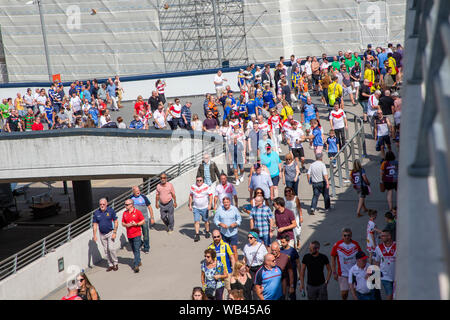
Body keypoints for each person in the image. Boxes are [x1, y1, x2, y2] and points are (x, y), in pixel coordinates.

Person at [331, 228, 362, 300]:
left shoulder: (355, 244)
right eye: (345, 235)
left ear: (351, 236)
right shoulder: (337, 245)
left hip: (354, 273)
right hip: (343, 274)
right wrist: (334, 272)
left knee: (355, 292)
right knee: (344, 293)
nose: (347, 237)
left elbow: (360, 256)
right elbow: (333, 258)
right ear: (342, 236)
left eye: (348, 235)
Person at [92, 198, 119, 272]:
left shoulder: (111, 211)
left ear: (106, 204)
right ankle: (110, 264)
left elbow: (116, 221)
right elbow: (95, 224)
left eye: (103, 204)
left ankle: (115, 263)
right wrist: (94, 235)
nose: (102, 206)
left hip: (110, 233)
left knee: (111, 248)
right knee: (106, 250)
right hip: (102, 234)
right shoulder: (96, 213)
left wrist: (114, 232)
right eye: (100, 204)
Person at [214, 197, 241, 262]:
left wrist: (235, 223)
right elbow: (215, 220)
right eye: (224, 202)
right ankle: (227, 264)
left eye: (227, 202)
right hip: (224, 233)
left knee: (234, 250)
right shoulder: (219, 209)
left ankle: (236, 266)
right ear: (223, 203)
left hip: (233, 232)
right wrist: (221, 224)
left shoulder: (234, 209)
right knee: (225, 250)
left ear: (230, 202)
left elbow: (239, 219)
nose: (226, 204)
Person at [122, 199, 145, 273]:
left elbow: (143, 221)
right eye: (125, 204)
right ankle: (139, 260)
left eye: (127, 204)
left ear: (131, 204)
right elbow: (123, 223)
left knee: (136, 249)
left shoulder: (137, 212)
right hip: (129, 234)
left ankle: (136, 265)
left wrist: (136, 224)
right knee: (134, 249)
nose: (125, 206)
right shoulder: (124, 213)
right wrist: (126, 225)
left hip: (137, 233)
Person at [129, 186, 154, 254]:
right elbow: (128, 209)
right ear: (133, 191)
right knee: (135, 234)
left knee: (145, 234)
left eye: (139, 190)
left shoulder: (143, 197)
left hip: (144, 219)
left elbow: (149, 207)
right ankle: (141, 242)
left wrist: (152, 218)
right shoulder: (131, 198)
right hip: (135, 221)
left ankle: (146, 248)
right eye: (136, 191)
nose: (138, 192)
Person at [373, 229, 396, 300]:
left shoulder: (397, 246)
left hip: (397, 276)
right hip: (385, 276)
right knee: (390, 294)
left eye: (383, 236)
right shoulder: (378, 248)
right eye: (381, 236)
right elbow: (376, 262)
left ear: (389, 236)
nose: (381, 237)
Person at [189, 176, 212, 242]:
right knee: (196, 221)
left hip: (205, 207)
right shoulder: (193, 187)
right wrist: (190, 205)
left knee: (206, 221)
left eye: (200, 180)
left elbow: (210, 195)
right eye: (197, 180)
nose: (199, 182)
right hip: (196, 208)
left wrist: (210, 204)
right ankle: (197, 234)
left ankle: (207, 231)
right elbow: (191, 196)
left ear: (203, 181)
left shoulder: (206, 186)